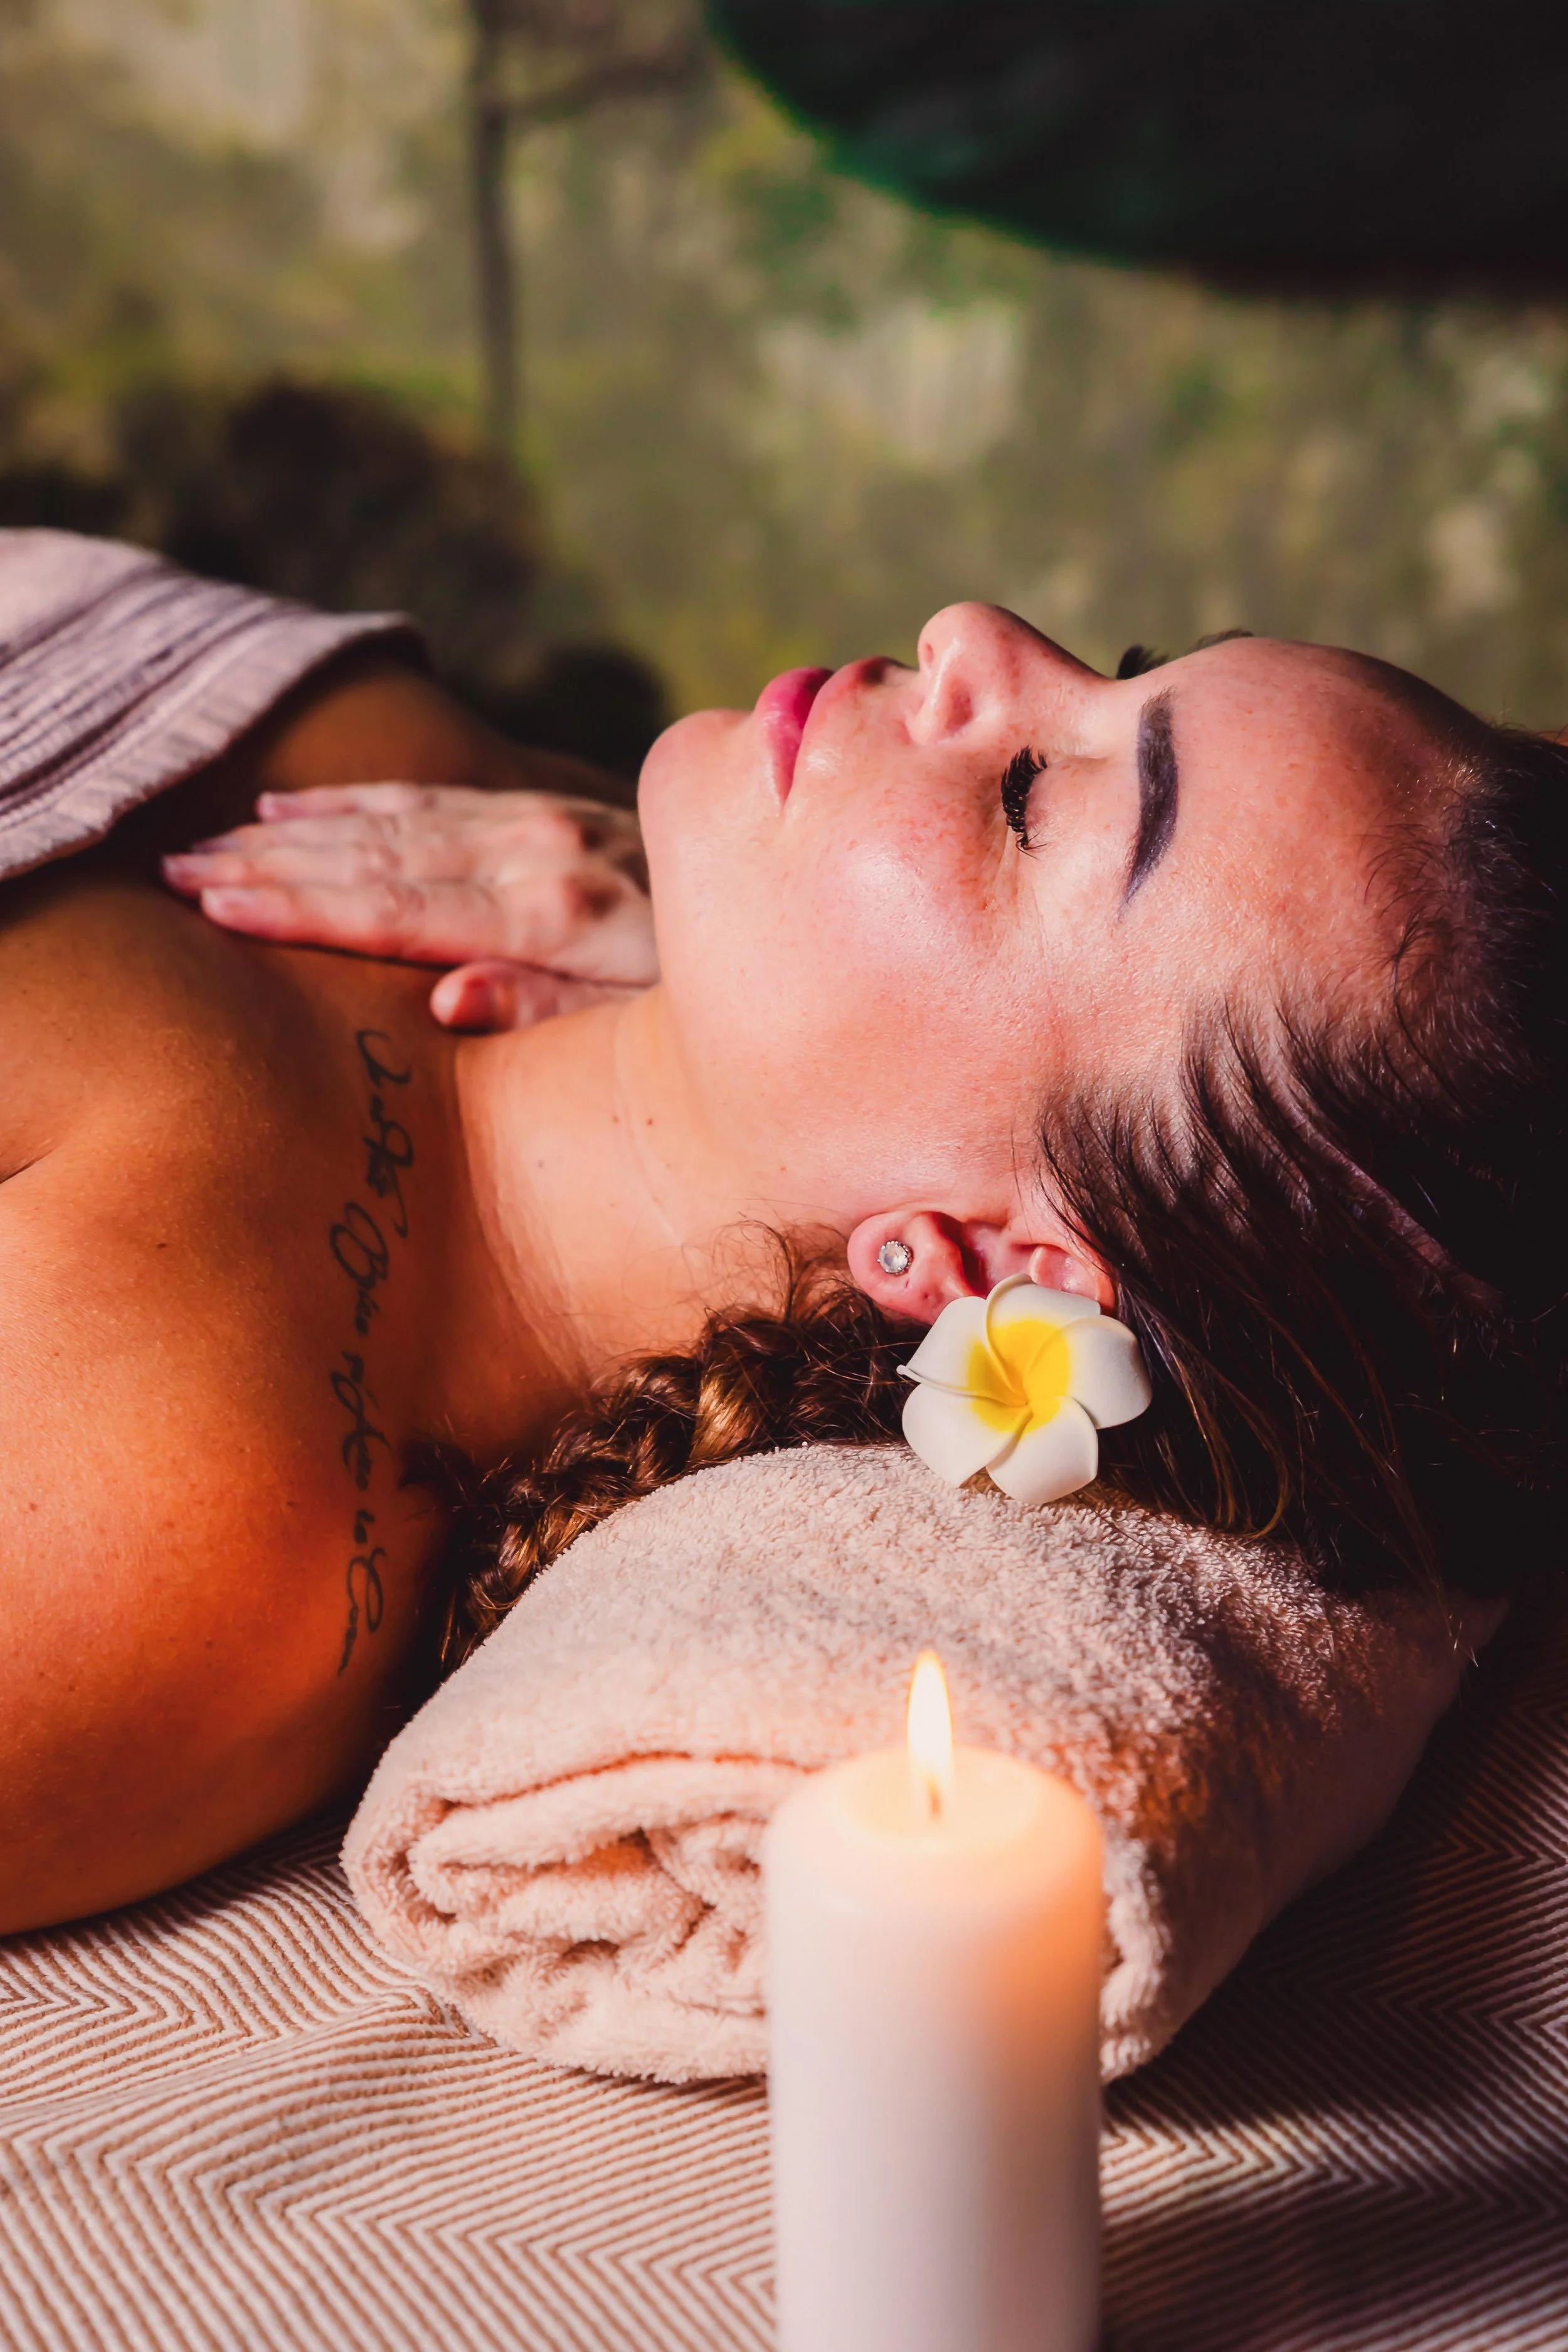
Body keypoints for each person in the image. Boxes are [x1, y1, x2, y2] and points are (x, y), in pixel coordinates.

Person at [2, 596, 1562, 1936]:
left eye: (1028, 795)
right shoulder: (458, 790)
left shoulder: (175, 1499)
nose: (971, 635)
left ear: (982, 1267)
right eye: (1123, 666)